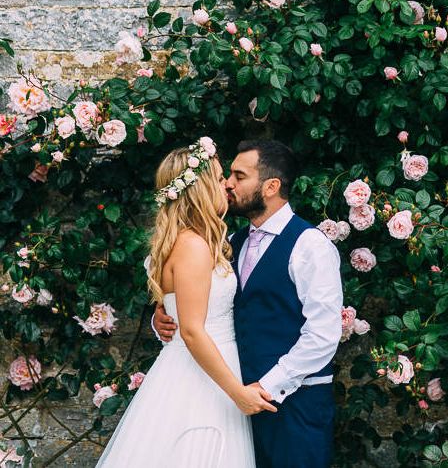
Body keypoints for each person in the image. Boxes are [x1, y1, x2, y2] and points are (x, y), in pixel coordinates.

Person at [154, 139, 343, 467]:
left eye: (239, 177)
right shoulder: (229, 245)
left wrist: (267, 387)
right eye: (227, 175)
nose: (228, 183)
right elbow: (201, 305)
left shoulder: (309, 245)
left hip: (292, 404)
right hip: (234, 402)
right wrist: (165, 319)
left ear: (270, 186)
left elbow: (323, 335)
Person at [98, 137, 273, 467]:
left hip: (201, 369)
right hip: (202, 381)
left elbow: (180, 312)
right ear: (202, 187)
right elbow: (192, 331)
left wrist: (160, 316)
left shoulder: (193, 241)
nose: (226, 185)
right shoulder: (193, 245)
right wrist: (237, 393)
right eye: (220, 177)